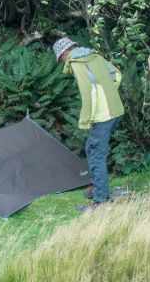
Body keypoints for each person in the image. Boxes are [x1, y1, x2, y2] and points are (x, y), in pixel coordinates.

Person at [52, 37, 124, 212]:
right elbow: (117, 74)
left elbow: (88, 92)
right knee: (93, 150)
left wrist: (85, 120)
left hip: (102, 116)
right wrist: (109, 95)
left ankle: (100, 201)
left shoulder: (78, 62)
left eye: (60, 58)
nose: (62, 61)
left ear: (64, 54)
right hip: (115, 110)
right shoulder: (94, 56)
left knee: (95, 155)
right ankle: (100, 188)